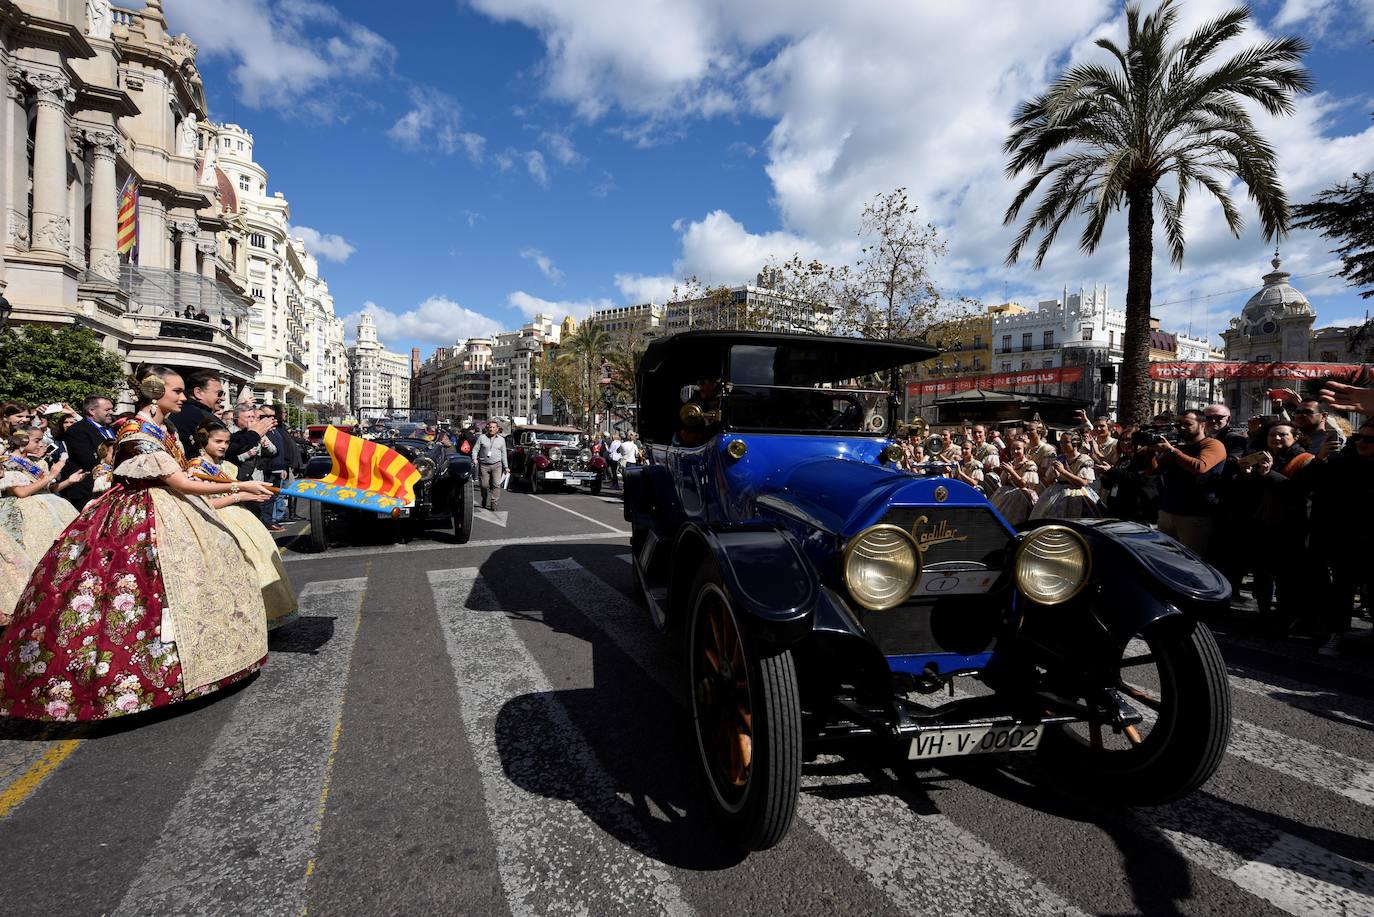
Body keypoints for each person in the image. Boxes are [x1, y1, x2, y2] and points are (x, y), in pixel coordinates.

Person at [0, 365, 273, 721]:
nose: (181, 397)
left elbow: (185, 477)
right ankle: (134, 680)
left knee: (193, 585)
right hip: (142, 517)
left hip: (175, 511)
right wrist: (239, 488)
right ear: (155, 390)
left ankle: (202, 664)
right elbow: (180, 482)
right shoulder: (134, 431)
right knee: (141, 591)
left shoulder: (166, 427)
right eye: (175, 391)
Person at [188, 418, 298, 631]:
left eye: (226, 442)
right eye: (218, 441)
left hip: (241, 519)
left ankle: (265, 617)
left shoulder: (222, 465)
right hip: (219, 523)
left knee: (261, 566)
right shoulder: (196, 467)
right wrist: (239, 496)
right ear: (203, 441)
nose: (223, 446)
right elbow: (204, 502)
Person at [1295, 419, 1374, 656]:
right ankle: (1336, 635)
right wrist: (1318, 460)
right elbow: (1303, 486)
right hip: (1345, 541)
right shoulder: (1341, 463)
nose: (1362, 443)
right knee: (1342, 591)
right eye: (1359, 437)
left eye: (1370, 440)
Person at [0, 428, 83, 564]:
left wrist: (69, 481)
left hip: (52, 505)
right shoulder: (7, 463)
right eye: (37, 441)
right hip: (29, 511)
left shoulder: (37, 462)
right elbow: (22, 493)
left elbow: (47, 489)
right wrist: (51, 475)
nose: (40, 445)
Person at [1151, 410, 1227, 556]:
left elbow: (1199, 467)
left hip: (1194, 515)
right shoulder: (1177, 447)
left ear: (1202, 425)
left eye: (1188, 424)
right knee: (1166, 558)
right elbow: (1153, 471)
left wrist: (1171, 451)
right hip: (1168, 511)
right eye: (1179, 424)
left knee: (1192, 560)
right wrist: (1150, 452)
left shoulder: (1213, 445)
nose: (1182, 428)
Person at [58, 394, 115, 510]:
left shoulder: (113, 428)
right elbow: (88, 460)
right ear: (92, 411)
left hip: (111, 487)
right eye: (107, 409)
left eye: (112, 409)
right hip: (86, 490)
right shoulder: (77, 430)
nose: (112, 412)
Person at [1031, 432, 1102, 519]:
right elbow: (1048, 481)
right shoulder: (1060, 458)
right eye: (1061, 442)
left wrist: (1063, 471)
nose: (1062, 445)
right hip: (1056, 491)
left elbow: (1083, 482)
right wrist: (1054, 475)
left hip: (1076, 493)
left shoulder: (1084, 459)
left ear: (1075, 444)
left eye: (1066, 442)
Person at [1099, 429, 1159, 524]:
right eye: (1122, 440)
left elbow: (1140, 480)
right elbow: (1112, 484)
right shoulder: (1122, 460)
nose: (1125, 443)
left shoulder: (1145, 458)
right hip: (1118, 510)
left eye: (1129, 439)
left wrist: (1111, 471)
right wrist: (1105, 475)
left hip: (1138, 512)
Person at [169, 369, 225, 459]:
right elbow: (231, 445)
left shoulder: (183, 411)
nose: (223, 398)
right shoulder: (201, 415)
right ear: (198, 393)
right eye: (219, 393)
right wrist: (253, 432)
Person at [990, 437, 1040, 525]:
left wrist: (1011, 471)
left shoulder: (1030, 464)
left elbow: (1023, 484)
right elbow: (1002, 482)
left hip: (1022, 495)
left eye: (1018, 449)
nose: (1015, 451)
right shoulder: (1011, 463)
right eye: (1013, 449)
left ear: (1025, 450)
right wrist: (1006, 472)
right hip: (1007, 493)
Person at [476, 420, 507, 511]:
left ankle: (494, 502)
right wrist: (474, 458)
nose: (491, 429)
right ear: (487, 428)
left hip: (497, 465)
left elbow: (504, 454)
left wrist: (506, 467)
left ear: (497, 429)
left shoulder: (502, 440)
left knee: (496, 484)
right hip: (484, 465)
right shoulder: (481, 438)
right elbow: (475, 449)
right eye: (490, 427)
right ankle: (484, 498)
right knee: (484, 485)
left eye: (494, 427)